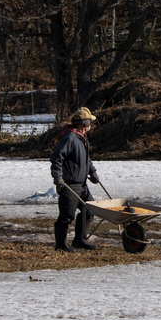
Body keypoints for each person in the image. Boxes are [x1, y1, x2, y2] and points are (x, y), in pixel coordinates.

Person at [49, 107, 101, 252]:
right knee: (67, 216)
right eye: (89, 121)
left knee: (89, 210)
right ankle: (60, 245)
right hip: (69, 184)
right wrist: (57, 177)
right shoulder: (70, 138)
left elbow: (86, 159)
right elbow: (56, 157)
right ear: (83, 123)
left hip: (82, 185)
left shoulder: (81, 138)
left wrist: (93, 172)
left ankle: (80, 240)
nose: (91, 124)